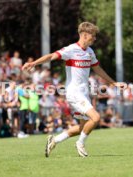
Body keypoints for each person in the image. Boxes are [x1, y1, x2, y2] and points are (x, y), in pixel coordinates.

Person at [22, 22, 124, 157]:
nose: (95, 39)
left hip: (84, 93)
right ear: (85, 35)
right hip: (74, 93)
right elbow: (52, 56)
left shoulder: (90, 52)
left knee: (83, 127)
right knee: (96, 118)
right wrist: (34, 63)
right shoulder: (71, 49)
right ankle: (80, 143)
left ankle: (55, 140)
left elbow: (97, 68)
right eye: (93, 36)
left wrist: (114, 83)